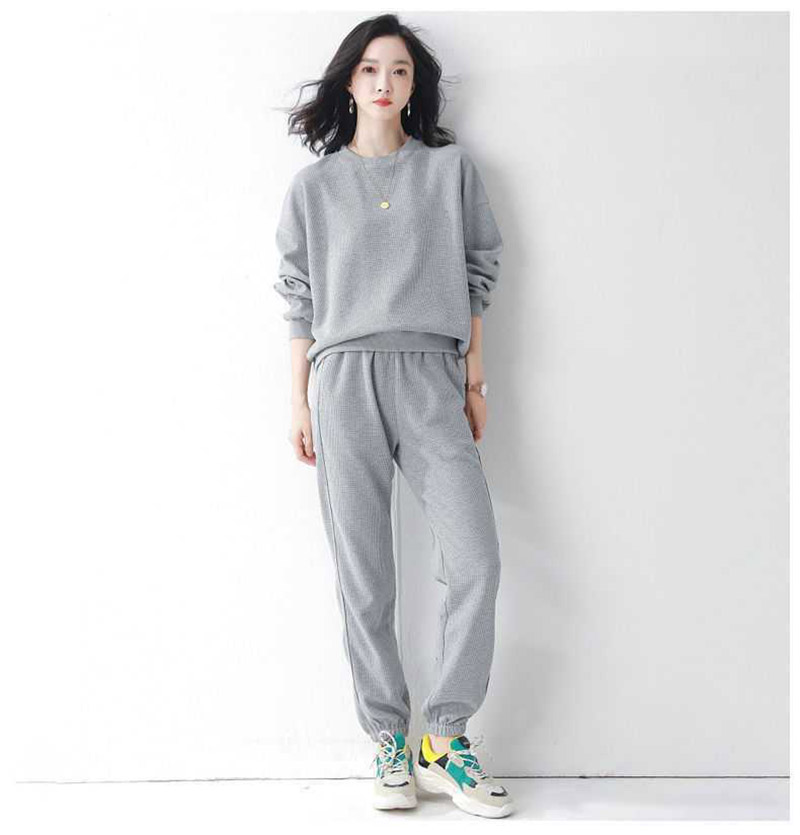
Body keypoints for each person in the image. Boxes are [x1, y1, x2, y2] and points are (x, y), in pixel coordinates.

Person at [273, 13, 514, 819]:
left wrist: (474, 378)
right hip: (343, 381)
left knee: (475, 558)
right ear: (350, 80)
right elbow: (299, 297)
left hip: (432, 375)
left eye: (401, 70)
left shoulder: (449, 172)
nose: (385, 82)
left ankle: (444, 735)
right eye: (372, 68)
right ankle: (387, 738)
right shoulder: (313, 189)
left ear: (416, 85)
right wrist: (298, 397)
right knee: (365, 575)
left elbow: (479, 272)